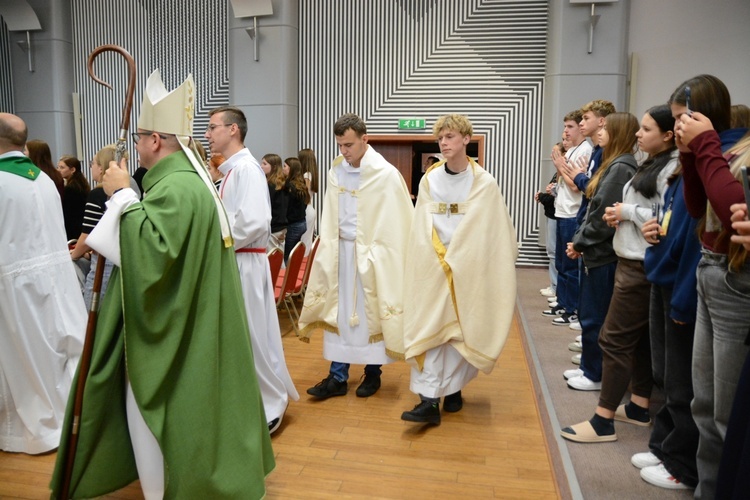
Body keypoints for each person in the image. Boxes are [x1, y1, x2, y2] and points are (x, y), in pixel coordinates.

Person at [50, 71, 274, 498]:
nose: (135, 145)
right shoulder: (186, 180)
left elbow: (153, 255)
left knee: (150, 408)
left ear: (156, 141)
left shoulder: (175, 187)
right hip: (193, 312)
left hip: (174, 326)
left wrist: (121, 197)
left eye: (139, 138)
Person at [400, 114, 517, 424]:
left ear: (466, 139)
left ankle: (453, 389)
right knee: (432, 327)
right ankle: (427, 400)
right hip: (434, 265)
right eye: (441, 138)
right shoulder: (430, 179)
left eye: (450, 137)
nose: (444, 142)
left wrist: (464, 257)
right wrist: (431, 257)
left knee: (461, 331)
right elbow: (420, 224)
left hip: (469, 266)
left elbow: (493, 229)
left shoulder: (484, 183)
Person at [670, 74, 750, 500]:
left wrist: (702, 147)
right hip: (710, 269)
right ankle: (706, 487)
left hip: (736, 282)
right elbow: (697, 206)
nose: (679, 127)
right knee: (704, 404)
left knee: (725, 412)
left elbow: (730, 205)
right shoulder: (710, 150)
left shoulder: (737, 149)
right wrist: (688, 156)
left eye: (685, 119)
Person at [299, 113, 413, 399]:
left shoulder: (385, 174)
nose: (344, 151)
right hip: (340, 253)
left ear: (365, 139)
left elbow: (400, 219)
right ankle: (337, 377)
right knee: (339, 313)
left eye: (349, 145)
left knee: (368, 314)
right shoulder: (336, 171)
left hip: (372, 256)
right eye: (339, 145)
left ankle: (372, 375)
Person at [205, 105, 299, 433]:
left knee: (254, 336)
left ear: (233, 130)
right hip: (240, 258)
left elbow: (256, 221)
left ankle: (271, 403)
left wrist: (213, 236)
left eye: (213, 127)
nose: (207, 133)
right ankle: (253, 399)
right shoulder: (234, 169)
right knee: (246, 335)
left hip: (245, 259)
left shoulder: (246, 169)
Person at [0, 113, 86, 455]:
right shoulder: (45, 180)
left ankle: (31, 431)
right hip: (55, 277)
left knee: (24, 360)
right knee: (54, 353)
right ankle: (66, 417)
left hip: (17, 284)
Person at [558, 113, 638, 415]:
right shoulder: (612, 163)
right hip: (596, 250)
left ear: (616, 133)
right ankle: (588, 368)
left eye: (605, 128)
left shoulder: (620, 166)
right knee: (590, 313)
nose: (598, 132)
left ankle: (594, 373)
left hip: (602, 253)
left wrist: (580, 241)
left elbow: (601, 211)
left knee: (596, 315)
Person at [633, 139, 701, 491]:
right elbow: (666, 221)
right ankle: (663, 446)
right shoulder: (679, 173)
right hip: (662, 275)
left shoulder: (699, 174)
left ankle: (679, 462)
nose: (680, 129)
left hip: (678, 284)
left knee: (681, 382)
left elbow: (689, 242)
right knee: (665, 375)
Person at [545, 110, 592, 326]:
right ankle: (563, 303)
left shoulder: (585, 151)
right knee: (562, 264)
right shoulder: (572, 151)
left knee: (571, 267)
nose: (566, 131)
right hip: (562, 212)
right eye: (565, 127)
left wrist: (559, 169)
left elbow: (576, 185)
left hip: (573, 213)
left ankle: (572, 308)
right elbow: (567, 182)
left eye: (570, 126)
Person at [69, 145, 126, 309]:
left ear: (101, 168)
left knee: (92, 321)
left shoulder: (97, 195)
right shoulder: (129, 188)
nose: (91, 167)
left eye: (93, 163)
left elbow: (88, 236)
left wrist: (73, 255)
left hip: (103, 267)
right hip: (120, 264)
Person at [535, 142, 562, 299]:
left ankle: (556, 287)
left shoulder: (563, 172)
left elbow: (554, 196)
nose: (552, 156)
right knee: (552, 252)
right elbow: (551, 194)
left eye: (556, 153)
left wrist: (541, 196)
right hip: (552, 215)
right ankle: (554, 285)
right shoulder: (557, 173)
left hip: (557, 216)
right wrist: (543, 196)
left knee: (555, 253)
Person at [57, 155, 91, 241]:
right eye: (58, 167)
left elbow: (67, 214)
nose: (58, 170)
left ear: (72, 170)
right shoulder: (81, 184)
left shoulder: (71, 188)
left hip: (73, 230)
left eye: (62, 167)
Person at [283, 156, 310, 263]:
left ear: (291, 169)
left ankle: (287, 277)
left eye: (285, 166)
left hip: (293, 224)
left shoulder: (289, 186)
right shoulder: (301, 184)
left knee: (287, 256)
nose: (283, 169)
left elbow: (286, 207)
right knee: (293, 254)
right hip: (302, 222)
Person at [262, 153, 288, 253]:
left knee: (274, 260)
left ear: (273, 167)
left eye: (265, 164)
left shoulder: (270, 185)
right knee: (279, 257)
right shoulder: (282, 183)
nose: (261, 166)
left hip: (274, 226)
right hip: (282, 226)